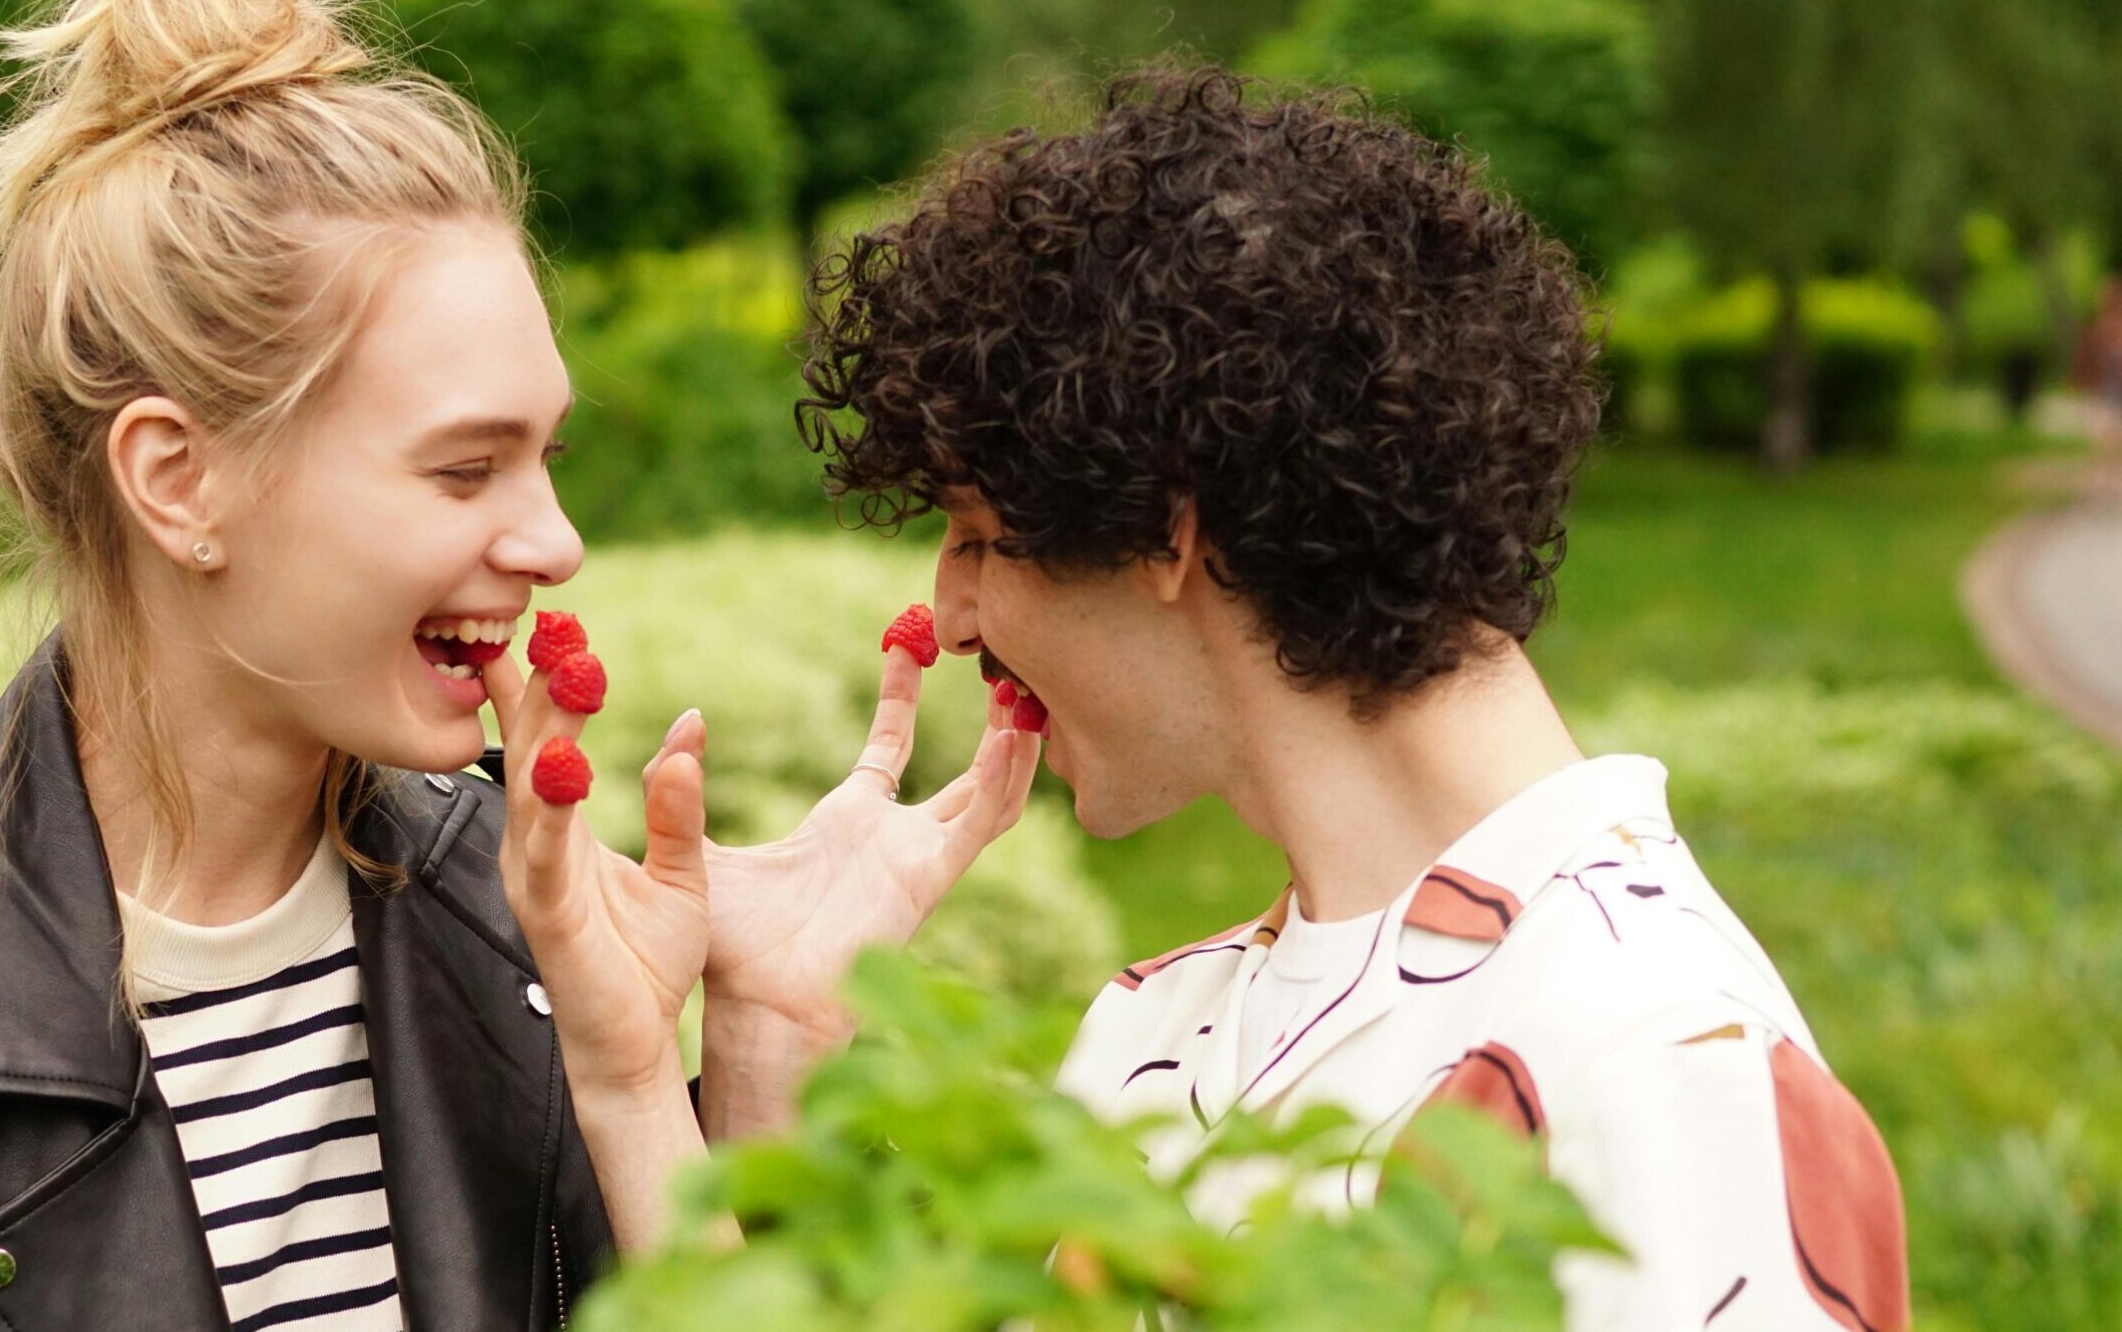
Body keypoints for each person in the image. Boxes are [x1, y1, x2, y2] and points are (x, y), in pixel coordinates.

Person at [0, 0, 1035, 1332]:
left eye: (548, 456)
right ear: (178, 480)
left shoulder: (523, 937)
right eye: (464, 467)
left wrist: (751, 1055)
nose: (555, 541)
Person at [769, 68, 1912, 1331]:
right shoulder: (1155, 1031)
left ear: (1162, 528)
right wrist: (770, 1039)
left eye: (979, 537)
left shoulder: (1663, 1070)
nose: (952, 616)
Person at [2076, 279, 2122, 495]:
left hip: (2114, 388)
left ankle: (2112, 473)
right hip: (2104, 389)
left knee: (2111, 434)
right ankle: (2107, 473)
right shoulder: (2097, 328)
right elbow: (2086, 358)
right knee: (2104, 433)